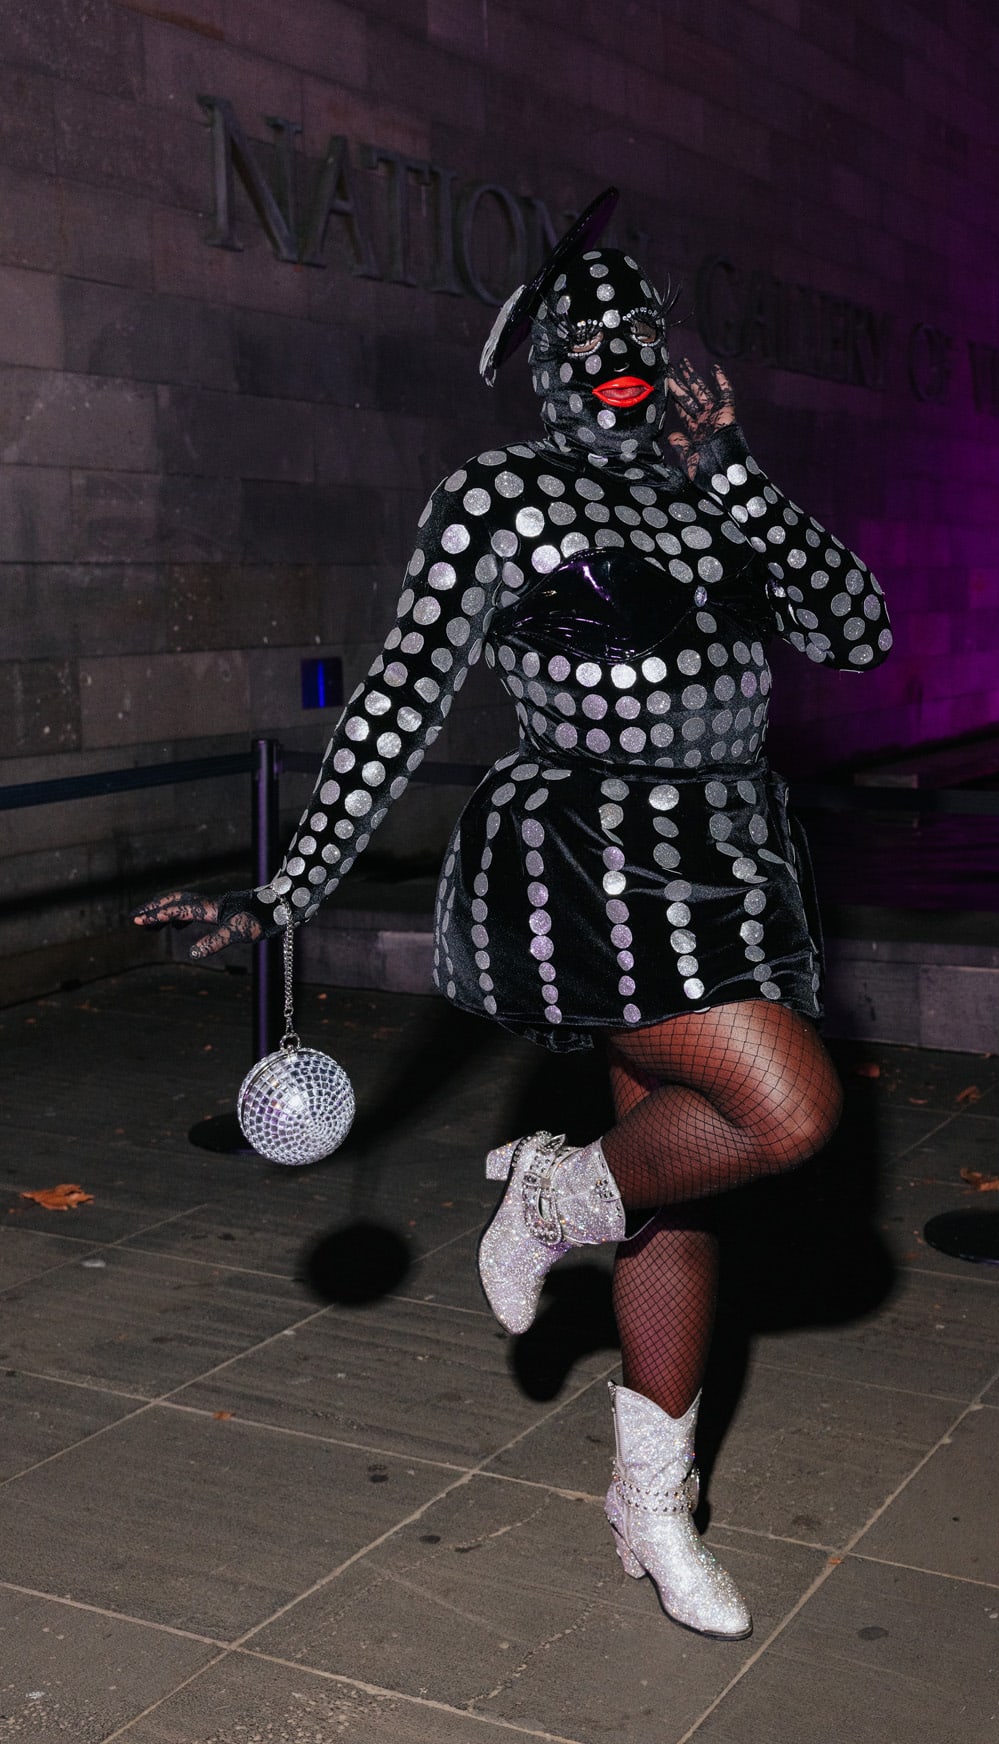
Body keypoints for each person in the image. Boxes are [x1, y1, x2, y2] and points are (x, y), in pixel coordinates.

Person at [134, 191, 891, 1640]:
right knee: (785, 1112)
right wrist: (290, 885)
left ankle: (648, 1506)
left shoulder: (700, 486)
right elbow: (401, 697)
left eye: (640, 332)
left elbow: (853, 630)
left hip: (739, 853)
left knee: (676, 1195)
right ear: (547, 357)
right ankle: (550, 1192)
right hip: (596, 864)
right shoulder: (502, 497)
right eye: (587, 334)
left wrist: (732, 471)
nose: (620, 350)